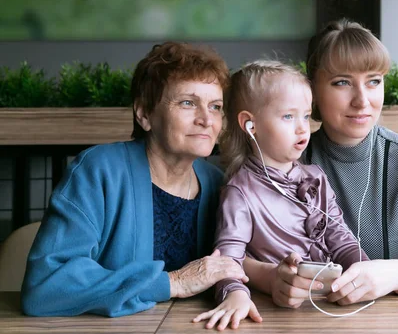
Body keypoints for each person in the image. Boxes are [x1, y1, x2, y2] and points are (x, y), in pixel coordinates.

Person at [243, 19, 398, 308]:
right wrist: (271, 278)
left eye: (374, 81)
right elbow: (232, 255)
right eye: (342, 83)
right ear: (312, 89)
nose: (362, 101)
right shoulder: (279, 160)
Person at [21, 42, 248, 317]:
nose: (206, 119)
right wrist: (172, 282)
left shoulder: (219, 183)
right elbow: (46, 287)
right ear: (144, 114)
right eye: (188, 102)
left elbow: (241, 263)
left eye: (215, 106)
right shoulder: (98, 170)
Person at [192, 60, 369, 330]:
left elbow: (341, 240)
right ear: (251, 126)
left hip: (328, 307)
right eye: (288, 116)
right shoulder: (240, 191)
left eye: (306, 116)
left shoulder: (316, 177)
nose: (302, 129)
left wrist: (371, 274)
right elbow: (228, 258)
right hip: (278, 314)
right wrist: (235, 295)